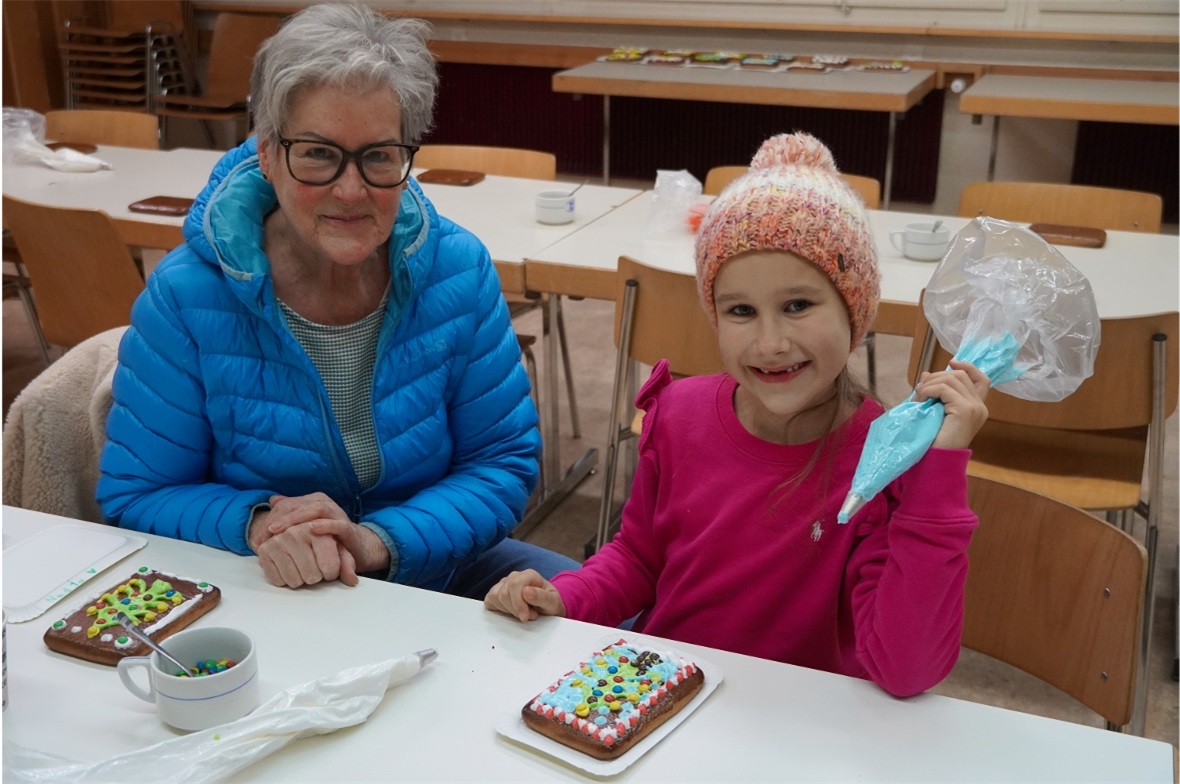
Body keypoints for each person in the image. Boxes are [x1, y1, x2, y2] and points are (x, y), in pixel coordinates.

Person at [485, 132, 991, 698]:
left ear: (855, 311)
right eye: (741, 311)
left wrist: (937, 479)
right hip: (666, 703)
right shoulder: (677, 414)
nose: (771, 342)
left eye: (798, 305)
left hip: (796, 726)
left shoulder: (881, 463)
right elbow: (638, 557)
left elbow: (907, 669)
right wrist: (568, 595)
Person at [97, 3, 577, 596]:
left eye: (378, 155)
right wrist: (260, 523)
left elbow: (500, 462)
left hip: (432, 561)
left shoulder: (458, 269)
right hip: (271, 581)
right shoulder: (187, 295)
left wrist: (377, 541)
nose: (351, 192)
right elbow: (138, 493)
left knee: (614, 623)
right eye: (319, 153)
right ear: (267, 155)